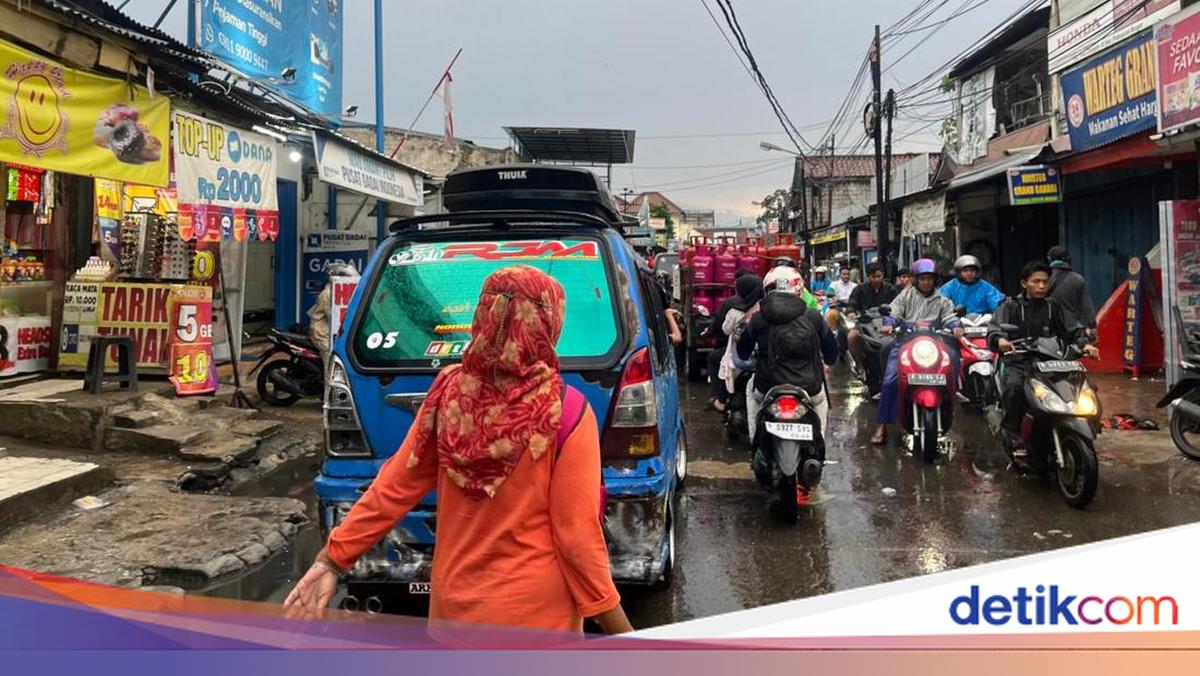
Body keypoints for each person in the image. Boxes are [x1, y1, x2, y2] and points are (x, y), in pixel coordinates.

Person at [283, 265, 632, 635]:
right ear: (548, 325)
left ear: (482, 317)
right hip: (536, 621)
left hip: (455, 616)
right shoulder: (566, 410)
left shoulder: (448, 396)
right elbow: (577, 539)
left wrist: (333, 559)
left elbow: (393, 489)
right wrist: (622, 631)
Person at [989, 261, 1099, 451]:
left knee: (1086, 388)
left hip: (1050, 362)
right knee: (1015, 388)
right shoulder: (1009, 306)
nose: (1041, 286)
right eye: (1036, 281)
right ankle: (1011, 430)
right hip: (1019, 361)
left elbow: (1071, 329)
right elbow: (995, 329)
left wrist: (1084, 344)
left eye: (1045, 282)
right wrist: (1000, 340)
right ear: (1024, 283)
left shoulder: (1053, 306)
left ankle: (1090, 425)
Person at [736, 266, 839, 442]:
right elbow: (831, 354)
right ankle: (819, 444)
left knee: (751, 392)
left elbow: (742, 353)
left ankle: (755, 442)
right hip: (809, 387)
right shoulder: (814, 317)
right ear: (798, 289)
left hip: (767, 385)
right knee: (820, 401)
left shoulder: (759, 318)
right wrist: (826, 359)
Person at [871, 259, 963, 445]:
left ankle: (952, 394)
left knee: (953, 357)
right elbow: (893, 313)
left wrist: (956, 325)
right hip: (906, 342)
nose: (926, 282)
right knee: (890, 380)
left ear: (935, 280)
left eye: (929, 279)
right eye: (922, 279)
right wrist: (889, 324)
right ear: (915, 280)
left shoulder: (942, 299)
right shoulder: (905, 296)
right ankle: (882, 424)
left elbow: (950, 316)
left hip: (935, 342)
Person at [705, 268, 756, 412]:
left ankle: (720, 399)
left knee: (715, 358)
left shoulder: (733, 306)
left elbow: (723, 329)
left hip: (742, 356)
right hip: (762, 357)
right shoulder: (764, 305)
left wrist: (710, 332)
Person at [846, 262, 899, 379]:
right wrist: (851, 312)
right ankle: (860, 366)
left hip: (887, 326)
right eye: (873, 277)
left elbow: (898, 306)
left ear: (883, 275)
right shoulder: (859, 289)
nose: (876, 279)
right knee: (852, 337)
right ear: (868, 276)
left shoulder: (891, 289)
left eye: (878, 276)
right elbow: (852, 303)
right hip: (865, 325)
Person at [718, 272, 764, 397]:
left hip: (738, 359)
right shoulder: (765, 308)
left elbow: (726, 330)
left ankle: (721, 401)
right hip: (762, 358)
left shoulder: (735, 312)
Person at [307, 262, 360, 365]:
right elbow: (333, 317)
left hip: (328, 331)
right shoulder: (329, 294)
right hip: (322, 334)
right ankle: (328, 376)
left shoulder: (337, 291)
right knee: (331, 360)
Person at [1046, 245, 1097, 337]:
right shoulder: (1078, 279)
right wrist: (1093, 328)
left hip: (1049, 329)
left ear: (1049, 258)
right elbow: (1087, 306)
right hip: (1072, 330)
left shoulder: (1043, 279)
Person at [939, 255, 1005, 315]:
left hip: (982, 321)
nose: (969, 273)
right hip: (956, 321)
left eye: (972, 270)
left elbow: (998, 303)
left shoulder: (985, 287)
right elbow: (940, 303)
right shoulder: (950, 287)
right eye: (965, 270)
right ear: (959, 273)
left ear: (977, 272)